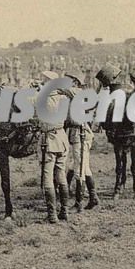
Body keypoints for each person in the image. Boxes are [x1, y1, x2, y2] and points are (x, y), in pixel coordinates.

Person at [63, 71, 100, 212]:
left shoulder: (77, 92)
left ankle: (78, 203)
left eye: (70, 79)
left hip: (81, 134)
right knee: (81, 167)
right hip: (78, 133)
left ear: (76, 82)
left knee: (79, 170)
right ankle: (93, 197)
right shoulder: (75, 94)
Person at [38, 71, 71, 223]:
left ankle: (52, 215)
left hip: (49, 141)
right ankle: (64, 211)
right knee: (61, 176)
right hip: (62, 138)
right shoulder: (64, 98)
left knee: (47, 179)